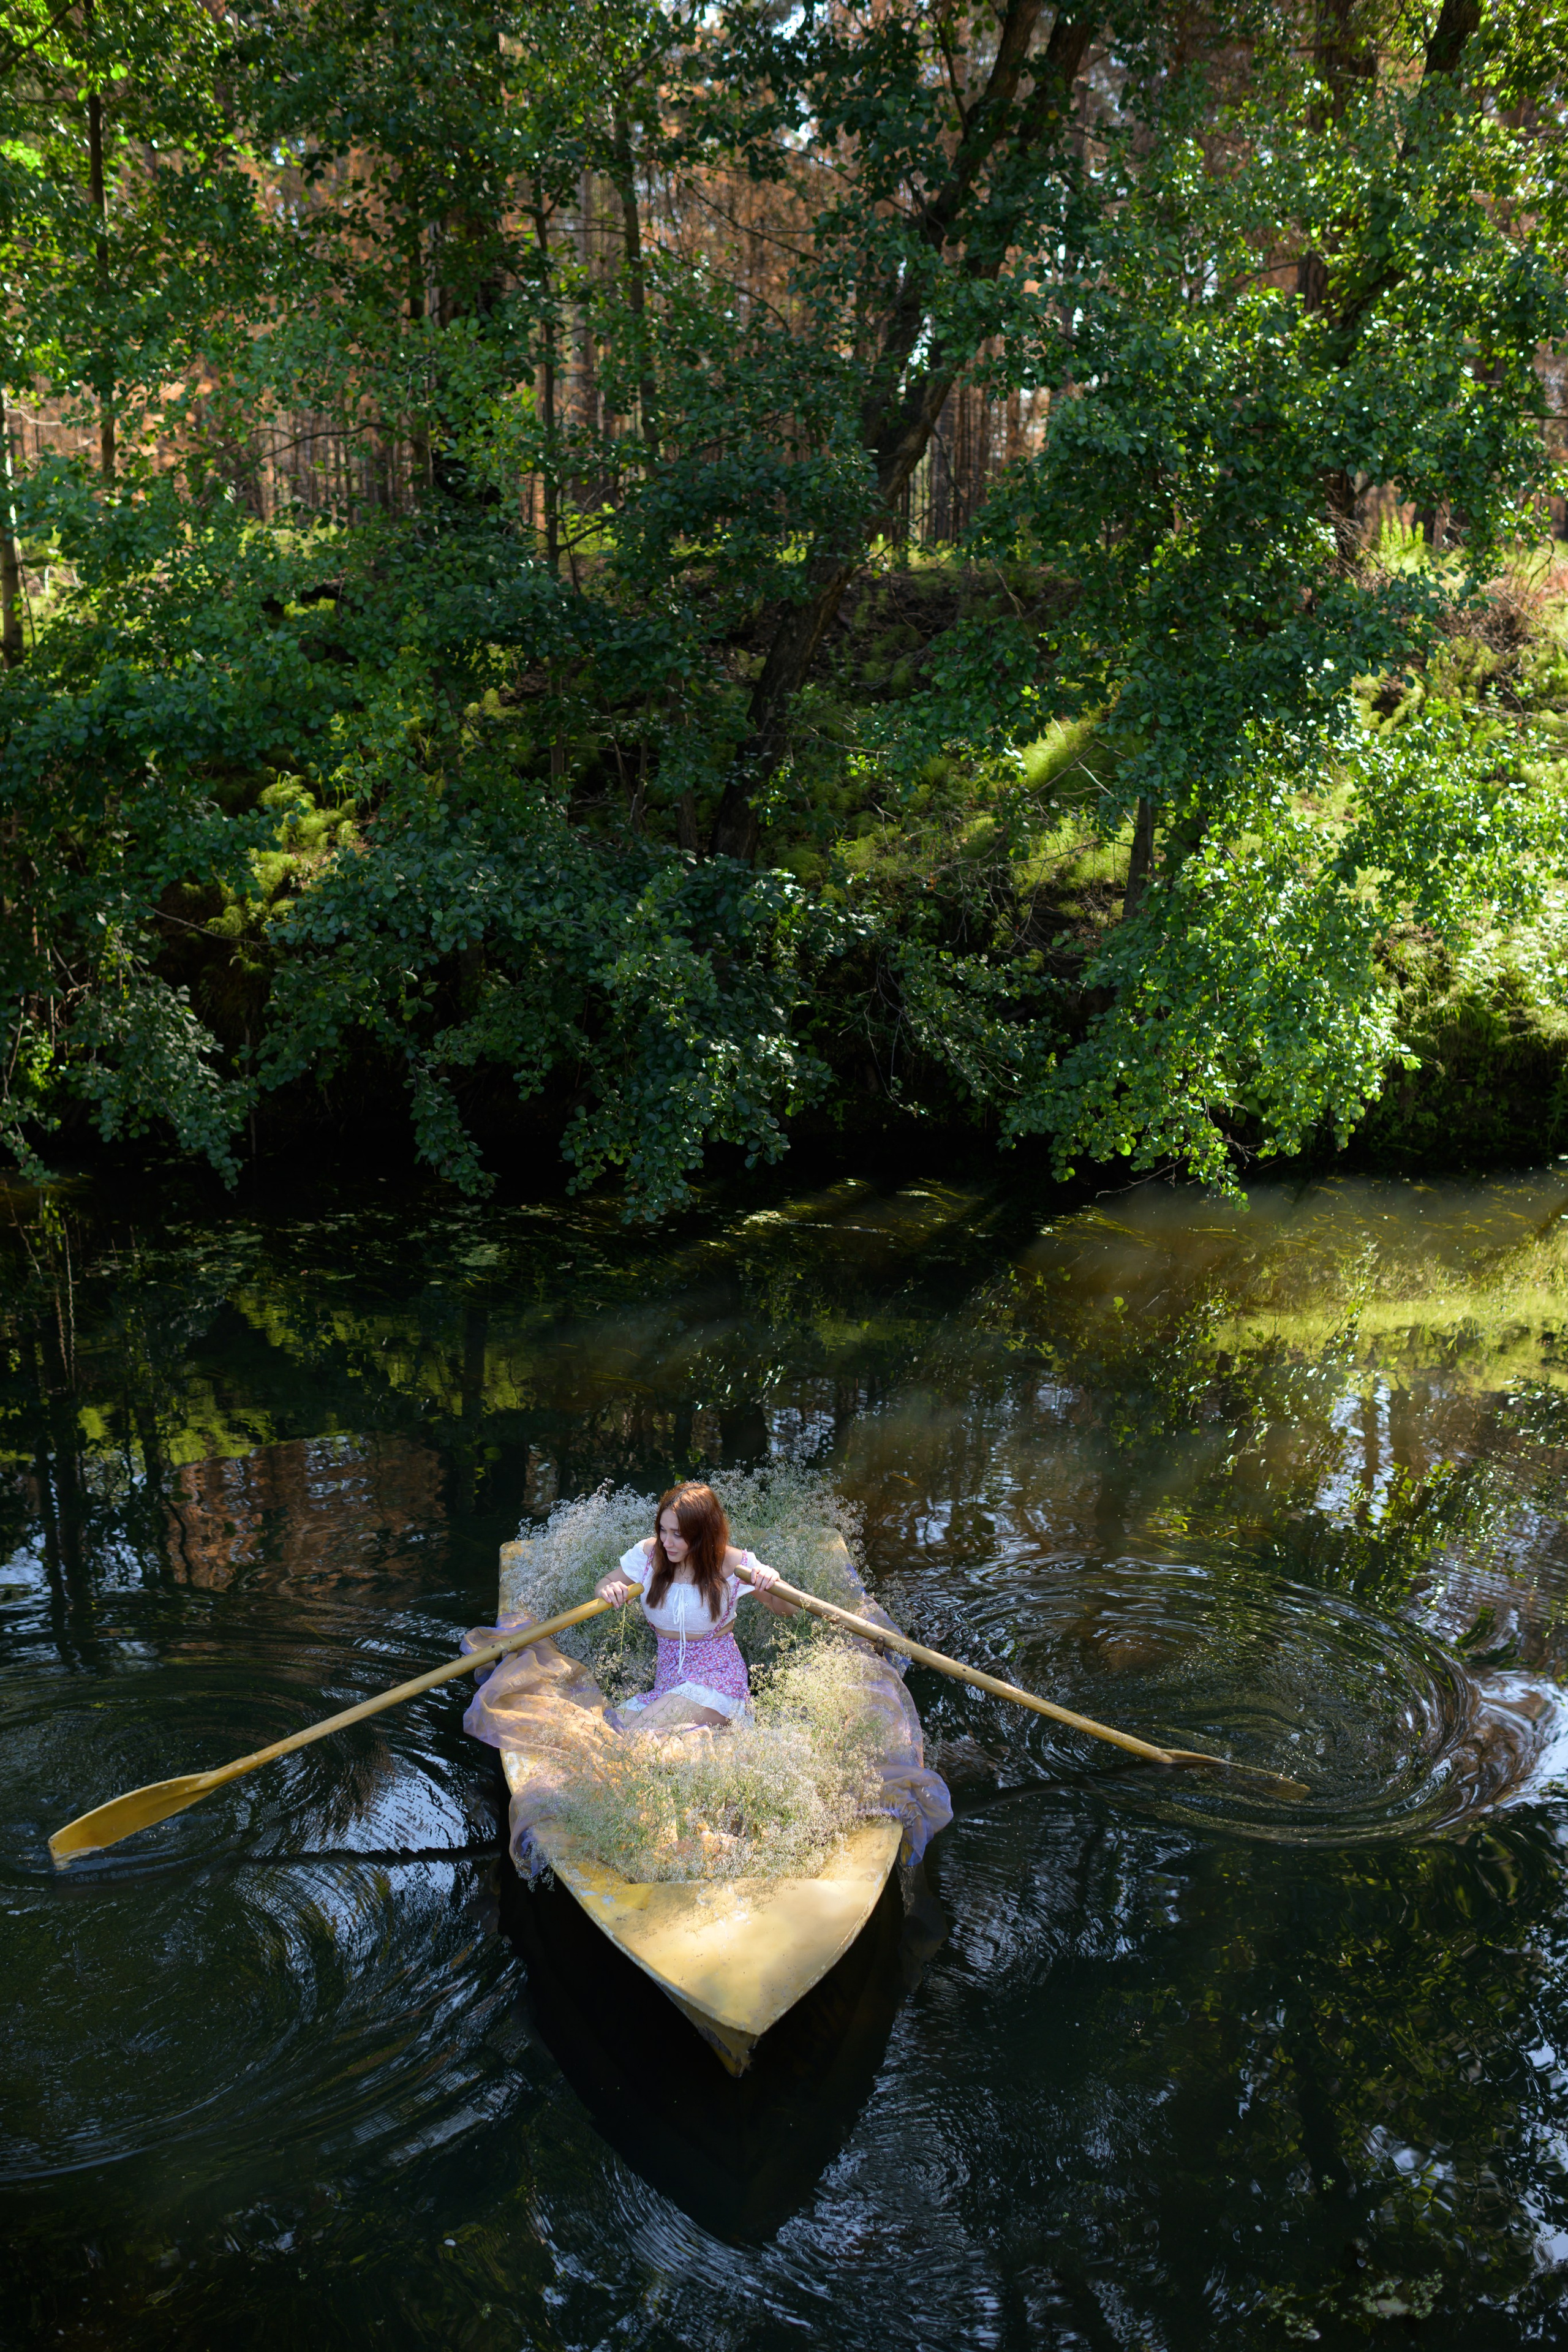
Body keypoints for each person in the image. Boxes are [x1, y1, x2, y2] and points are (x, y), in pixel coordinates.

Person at [596, 1480, 794, 1728]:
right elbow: (605, 1582)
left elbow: (785, 1609)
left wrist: (774, 1580)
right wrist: (607, 1589)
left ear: (703, 1533)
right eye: (663, 1530)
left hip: (717, 1684)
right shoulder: (650, 1554)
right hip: (668, 1685)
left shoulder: (733, 1563)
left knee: (635, 1731)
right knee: (606, 1727)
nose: (667, 1542)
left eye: (678, 1534)